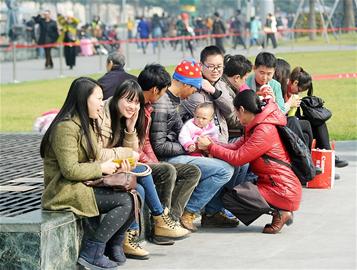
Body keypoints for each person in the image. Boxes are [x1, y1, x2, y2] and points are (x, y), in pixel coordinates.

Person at [40, 77, 134, 270]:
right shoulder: (65, 128)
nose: (102, 103)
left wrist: (117, 166)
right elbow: (70, 170)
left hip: (84, 182)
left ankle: (112, 245)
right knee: (125, 201)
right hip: (64, 189)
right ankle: (92, 252)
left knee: (135, 193)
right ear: (84, 99)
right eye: (99, 99)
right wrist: (101, 168)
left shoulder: (86, 124)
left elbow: (96, 156)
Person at [97, 79, 190, 260]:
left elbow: (134, 152)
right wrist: (126, 155)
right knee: (144, 177)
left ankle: (130, 237)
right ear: (116, 98)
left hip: (117, 168)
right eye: (128, 100)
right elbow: (99, 154)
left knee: (140, 184)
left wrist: (130, 129)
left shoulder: (128, 117)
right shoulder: (103, 117)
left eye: (136, 102)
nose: (132, 106)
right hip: (101, 169)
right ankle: (159, 219)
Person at [150, 59, 238, 232]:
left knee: (226, 165)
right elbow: (159, 147)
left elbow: (178, 131)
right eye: (193, 88)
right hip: (168, 157)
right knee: (224, 170)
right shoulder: (162, 103)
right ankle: (188, 211)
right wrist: (190, 147)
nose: (192, 93)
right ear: (184, 84)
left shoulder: (172, 100)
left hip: (180, 151)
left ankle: (204, 211)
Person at [197, 90, 302, 234]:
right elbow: (235, 146)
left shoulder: (264, 130)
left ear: (241, 109)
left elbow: (238, 158)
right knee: (236, 191)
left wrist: (211, 147)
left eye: (236, 112)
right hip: (277, 184)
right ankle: (280, 209)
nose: (237, 116)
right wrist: (212, 144)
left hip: (282, 189)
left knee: (231, 198)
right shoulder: (259, 124)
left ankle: (280, 211)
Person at [137, 64, 201, 224]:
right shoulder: (147, 106)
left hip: (146, 157)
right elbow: (147, 145)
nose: (165, 94)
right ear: (155, 90)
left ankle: (170, 219)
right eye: (164, 91)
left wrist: (153, 162)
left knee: (192, 171)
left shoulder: (149, 107)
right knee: (167, 170)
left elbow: (145, 143)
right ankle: (162, 222)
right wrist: (187, 148)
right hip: (133, 161)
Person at [287, 66, 349, 168]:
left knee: (318, 121)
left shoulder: (293, 93)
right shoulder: (282, 90)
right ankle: (311, 163)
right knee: (307, 124)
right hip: (288, 121)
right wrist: (291, 103)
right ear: (295, 83)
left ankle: (328, 156)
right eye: (300, 89)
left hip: (294, 119)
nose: (299, 92)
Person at [217, 54, 252, 139]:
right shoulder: (223, 90)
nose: (245, 82)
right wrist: (254, 119)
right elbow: (233, 119)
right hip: (228, 137)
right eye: (245, 79)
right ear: (237, 78)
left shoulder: (229, 86)